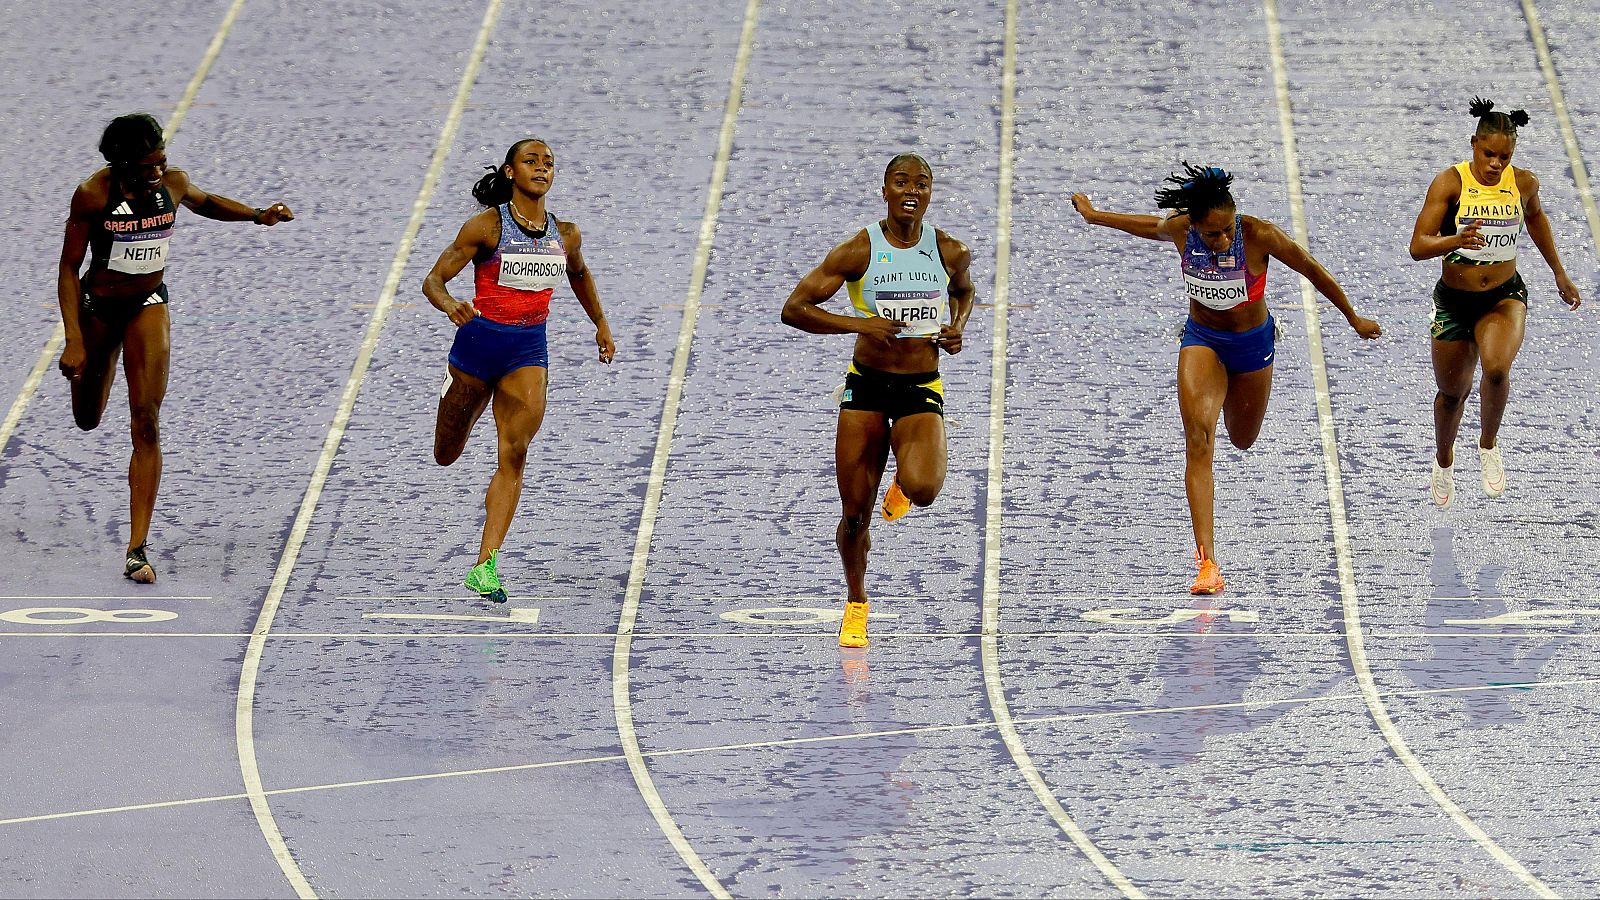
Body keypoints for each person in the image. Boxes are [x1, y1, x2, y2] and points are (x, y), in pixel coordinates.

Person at [1072, 164, 1381, 594]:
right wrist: (1096, 215)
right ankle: (1207, 563)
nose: (1219, 240)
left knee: (1242, 437)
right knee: (1199, 439)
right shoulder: (1182, 231)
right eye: (1211, 234)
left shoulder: (1259, 235)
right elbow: (1148, 227)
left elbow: (1311, 269)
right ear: (1195, 225)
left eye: (1225, 231)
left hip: (1253, 345)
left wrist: (1352, 317)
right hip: (1203, 340)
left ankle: (1210, 553)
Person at [56, 112, 294, 583]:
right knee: (87, 418)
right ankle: (94, 368)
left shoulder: (175, 184)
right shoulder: (93, 195)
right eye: (147, 166)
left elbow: (205, 203)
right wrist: (74, 340)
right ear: (122, 164)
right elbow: (68, 267)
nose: (158, 172)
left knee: (146, 419)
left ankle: (137, 548)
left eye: (161, 161)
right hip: (98, 309)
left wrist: (256, 215)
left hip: (148, 303)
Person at [781, 153, 974, 648]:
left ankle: (903, 484)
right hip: (865, 386)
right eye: (901, 181)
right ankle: (856, 602)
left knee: (925, 488)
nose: (912, 189)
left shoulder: (950, 251)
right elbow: (794, 309)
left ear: (931, 193)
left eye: (922, 183)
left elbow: (964, 292)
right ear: (884, 190)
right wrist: (859, 323)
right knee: (854, 514)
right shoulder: (859, 251)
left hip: (919, 386)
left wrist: (957, 329)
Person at [422, 138, 614, 604]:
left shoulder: (565, 235)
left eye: (548, 163)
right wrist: (450, 305)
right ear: (510, 172)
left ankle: (485, 564)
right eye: (531, 162)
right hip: (475, 347)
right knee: (446, 454)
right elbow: (433, 279)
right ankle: (457, 421)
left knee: (516, 453)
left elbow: (579, 275)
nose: (541, 169)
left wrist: (601, 322)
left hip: (527, 352)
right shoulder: (486, 227)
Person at [1409, 97, 1581, 508]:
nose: (1496, 164)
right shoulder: (1449, 184)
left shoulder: (1523, 184)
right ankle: (1444, 458)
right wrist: (1455, 240)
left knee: (1498, 368)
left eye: (1505, 157)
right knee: (1452, 393)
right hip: (1454, 301)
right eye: (1489, 154)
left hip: (1503, 297)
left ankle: (1488, 445)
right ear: (1473, 145)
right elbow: (1418, 246)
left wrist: (1559, 271)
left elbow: (1536, 218)